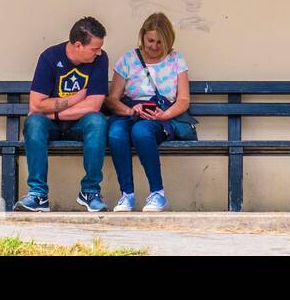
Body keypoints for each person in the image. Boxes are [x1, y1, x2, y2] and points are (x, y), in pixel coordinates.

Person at [105, 12, 197, 212]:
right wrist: (130, 110)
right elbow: (112, 99)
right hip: (130, 111)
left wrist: (164, 115)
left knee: (141, 132)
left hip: (161, 113)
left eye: (159, 42)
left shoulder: (176, 60)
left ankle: (157, 193)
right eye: (150, 41)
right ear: (143, 36)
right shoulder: (128, 59)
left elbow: (183, 99)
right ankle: (126, 195)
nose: (154, 46)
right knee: (116, 133)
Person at [17, 17, 110, 212]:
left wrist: (54, 113)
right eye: (94, 48)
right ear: (78, 45)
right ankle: (38, 194)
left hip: (79, 124)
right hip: (50, 127)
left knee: (97, 121)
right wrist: (76, 98)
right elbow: (36, 104)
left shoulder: (100, 60)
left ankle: (90, 191)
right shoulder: (50, 58)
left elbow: (93, 105)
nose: (99, 52)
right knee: (34, 123)